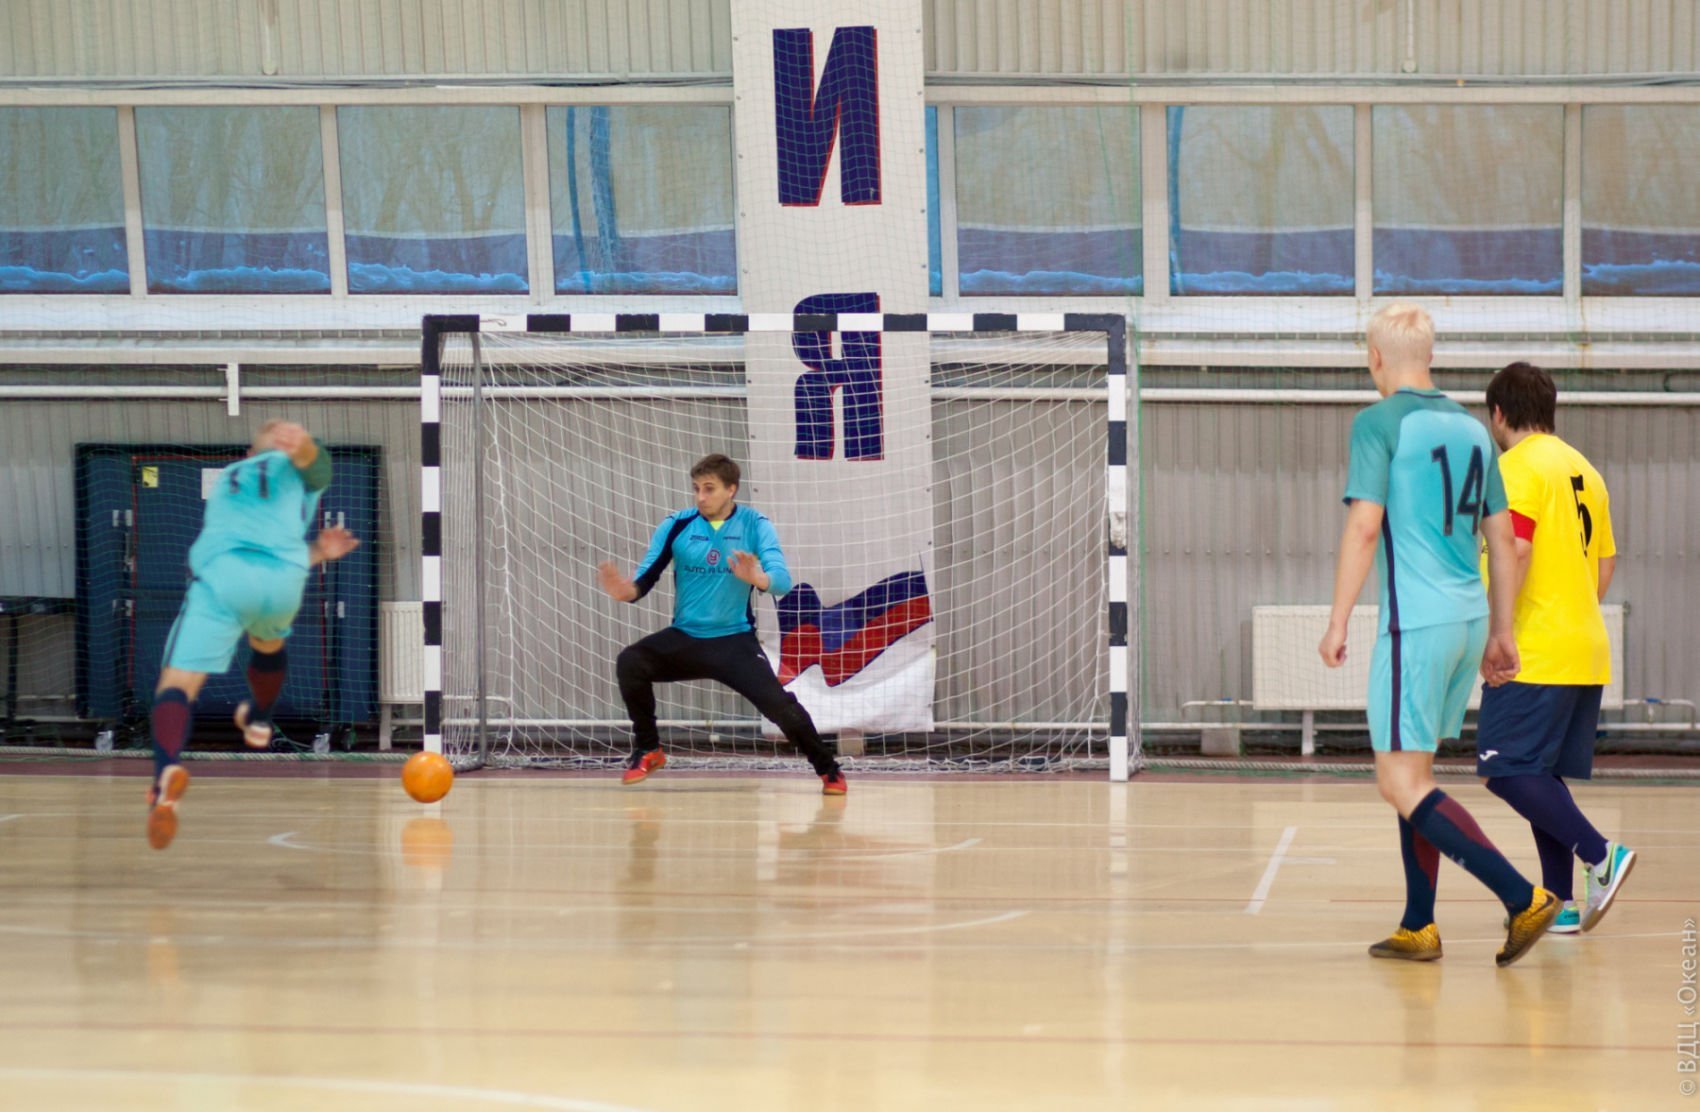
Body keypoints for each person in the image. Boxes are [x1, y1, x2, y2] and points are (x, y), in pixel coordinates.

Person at [1318, 304, 1557, 966]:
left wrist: (1337, 619)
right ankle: (1418, 924)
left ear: (1375, 357)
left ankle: (1522, 897)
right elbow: (1502, 540)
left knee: (1399, 782)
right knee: (1416, 770)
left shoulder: (1379, 423)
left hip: (1417, 623)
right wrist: (1501, 630)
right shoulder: (1475, 430)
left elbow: (1365, 526)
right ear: (1430, 355)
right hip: (1468, 618)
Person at [146, 420, 360, 850]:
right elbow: (320, 468)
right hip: (283, 581)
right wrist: (306, 449)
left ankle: (164, 774)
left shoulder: (229, 478)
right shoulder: (295, 469)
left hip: (224, 576)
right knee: (268, 643)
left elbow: (251, 536)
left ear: (248, 455)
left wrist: (299, 451)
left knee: (178, 684)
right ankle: (260, 720)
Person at [1476, 362, 1634, 933]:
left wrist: (1498, 631)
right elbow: (1606, 562)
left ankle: (1601, 854)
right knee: (1540, 774)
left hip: (1534, 646)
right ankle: (1561, 902)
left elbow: (1514, 549)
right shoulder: (1585, 470)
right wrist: (1571, 610)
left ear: (1498, 413)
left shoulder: (1517, 466)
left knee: (1504, 769)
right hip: (1583, 646)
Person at [598, 454, 846, 795]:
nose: (700, 497)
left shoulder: (755, 524)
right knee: (631, 661)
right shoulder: (677, 525)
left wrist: (758, 577)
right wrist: (626, 591)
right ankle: (648, 749)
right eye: (696, 488)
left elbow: (782, 582)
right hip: (686, 637)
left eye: (709, 488)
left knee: (780, 707)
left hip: (734, 642)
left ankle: (829, 770)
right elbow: (645, 578)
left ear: (731, 489)